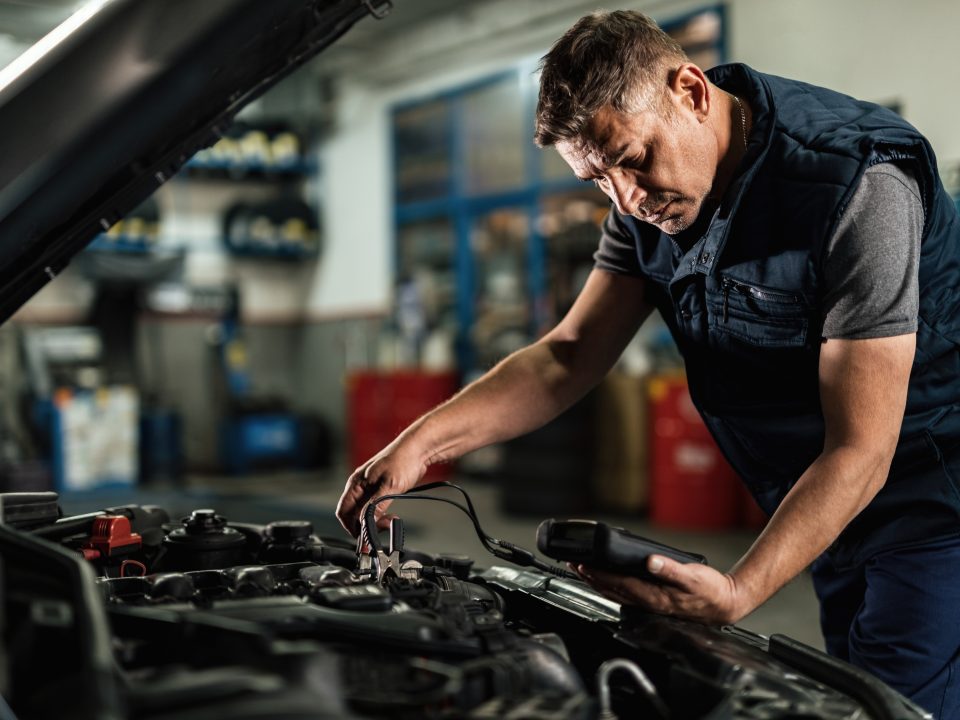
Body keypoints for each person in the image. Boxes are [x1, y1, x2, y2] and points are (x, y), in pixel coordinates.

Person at [337, 10, 960, 716]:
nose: (626, 199)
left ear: (691, 91)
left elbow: (863, 448)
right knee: (854, 694)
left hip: (934, 496)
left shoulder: (856, 185)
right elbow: (566, 357)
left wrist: (739, 592)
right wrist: (421, 445)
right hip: (830, 507)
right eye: (596, 179)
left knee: (899, 704)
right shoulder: (642, 208)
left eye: (632, 159)